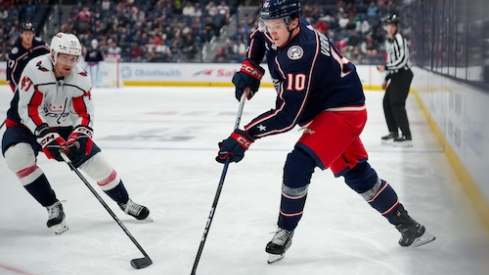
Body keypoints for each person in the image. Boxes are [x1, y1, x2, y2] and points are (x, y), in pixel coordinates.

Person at [216, 0, 435, 264]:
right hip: (326, 109)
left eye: (276, 26)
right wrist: (250, 66)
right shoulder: (285, 27)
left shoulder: (301, 54)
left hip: (343, 111)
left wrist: (245, 135)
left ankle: (285, 230)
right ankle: (408, 225)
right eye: (268, 25)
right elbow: (258, 37)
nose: (271, 32)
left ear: (293, 22)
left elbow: (288, 116)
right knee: (357, 173)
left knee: (298, 162)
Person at [1, 33, 150, 235]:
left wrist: (80, 136)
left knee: (98, 164)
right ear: (53, 54)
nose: (69, 63)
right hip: (25, 125)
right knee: (17, 156)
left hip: (62, 125)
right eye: (64, 57)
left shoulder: (80, 78)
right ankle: (52, 205)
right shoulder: (34, 70)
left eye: (74, 58)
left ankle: (125, 202)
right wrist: (45, 136)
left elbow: (84, 113)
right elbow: (29, 109)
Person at [377, 14, 414, 147]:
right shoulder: (389, 42)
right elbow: (391, 61)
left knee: (397, 103)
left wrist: (386, 68)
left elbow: (402, 61)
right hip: (396, 75)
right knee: (387, 101)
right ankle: (394, 131)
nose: (391, 28)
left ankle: (407, 136)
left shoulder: (399, 39)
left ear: (396, 27)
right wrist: (386, 78)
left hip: (404, 74)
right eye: (389, 26)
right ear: (386, 27)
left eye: (393, 26)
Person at [6, 22, 50, 93]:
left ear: (33, 34)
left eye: (30, 34)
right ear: (21, 35)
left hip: (39, 79)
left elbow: (53, 56)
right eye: (26, 34)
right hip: (22, 82)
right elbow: (10, 74)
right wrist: (17, 91)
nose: (28, 36)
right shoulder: (15, 52)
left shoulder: (41, 45)